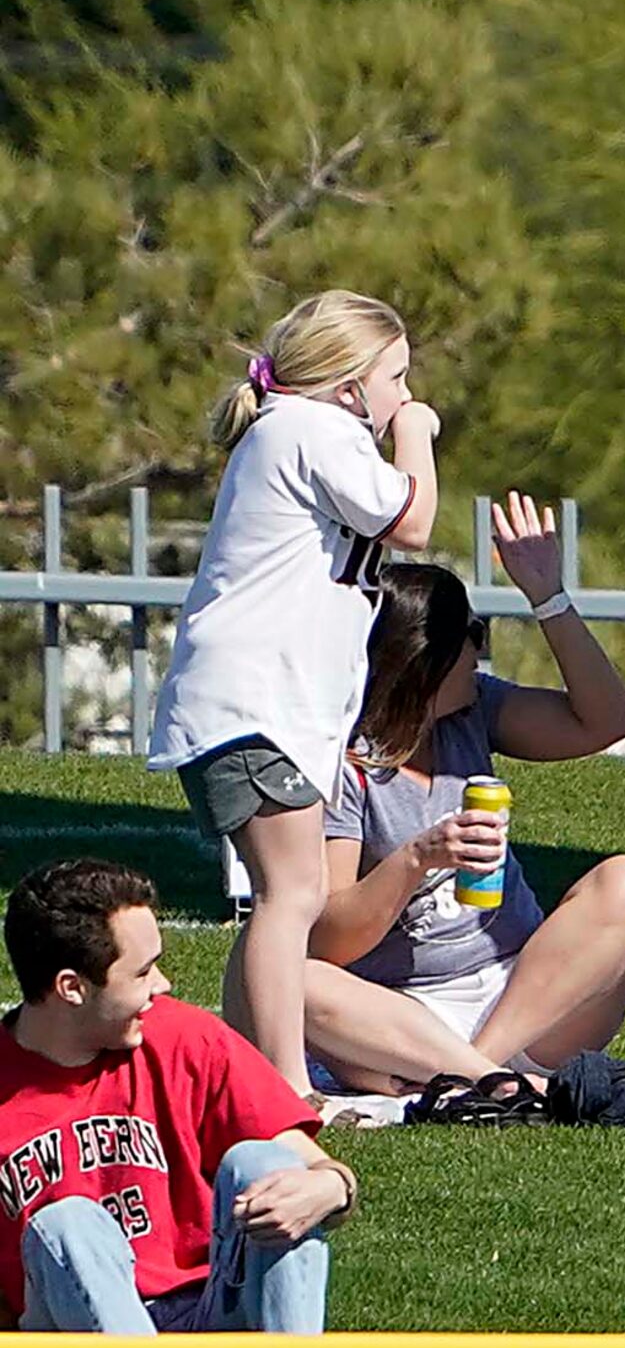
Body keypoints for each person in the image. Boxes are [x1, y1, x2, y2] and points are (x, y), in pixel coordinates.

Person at [0, 859, 363, 1348]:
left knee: (266, 1163)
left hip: (207, 1318)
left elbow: (319, 1169)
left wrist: (329, 1187)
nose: (161, 985)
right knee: (65, 1219)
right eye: (141, 973)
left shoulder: (184, 1036)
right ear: (71, 988)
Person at [149, 290, 443, 1096]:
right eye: (395, 379)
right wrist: (416, 437)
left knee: (283, 895)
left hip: (261, 703)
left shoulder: (294, 431)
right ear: (350, 385)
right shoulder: (312, 428)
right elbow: (412, 521)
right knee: (294, 893)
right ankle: (282, 1084)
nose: (402, 398)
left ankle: (243, 1078)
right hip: (252, 702)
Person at [303, 497, 625, 1094]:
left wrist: (547, 595)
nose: (481, 650)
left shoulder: (471, 712)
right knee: (300, 979)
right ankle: (482, 1080)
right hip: (402, 1017)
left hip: (522, 1002)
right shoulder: (345, 763)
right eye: (472, 635)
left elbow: (607, 722)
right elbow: (329, 938)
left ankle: (479, 1078)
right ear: (426, 659)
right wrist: (418, 859)